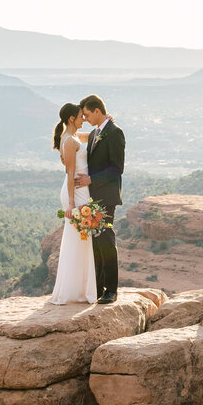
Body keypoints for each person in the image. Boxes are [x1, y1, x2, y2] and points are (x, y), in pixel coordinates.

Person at [49, 102, 97, 306]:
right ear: (71, 119)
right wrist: (70, 204)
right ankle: (75, 291)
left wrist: (104, 123)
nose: (83, 120)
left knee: (82, 240)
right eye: (80, 116)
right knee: (80, 240)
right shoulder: (69, 141)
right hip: (75, 192)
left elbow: (91, 136)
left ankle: (80, 288)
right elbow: (70, 173)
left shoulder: (73, 137)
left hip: (80, 191)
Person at [80, 94, 124, 304]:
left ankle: (112, 290)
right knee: (96, 242)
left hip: (107, 196)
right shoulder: (92, 134)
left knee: (106, 240)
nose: (86, 118)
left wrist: (91, 180)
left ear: (97, 111)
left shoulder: (115, 133)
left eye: (87, 114)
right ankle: (98, 287)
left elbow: (117, 169)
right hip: (93, 197)